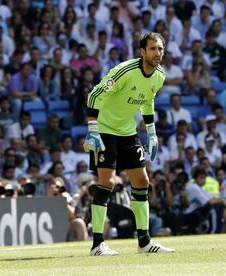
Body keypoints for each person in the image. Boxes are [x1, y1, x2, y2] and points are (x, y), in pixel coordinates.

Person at [84, 32, 174, 256]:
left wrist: (151, 133)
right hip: (104, 129)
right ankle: (97, 244)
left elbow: (148, 100)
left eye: (160, 49)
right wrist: (92, 129)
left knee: (142, 181)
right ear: (142, 52)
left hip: (127, 130)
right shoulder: (124, 71)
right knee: (106, 182)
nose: (157, 53)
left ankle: (144, 241)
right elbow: (94, 96)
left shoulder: (159, 76)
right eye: (153, 49)